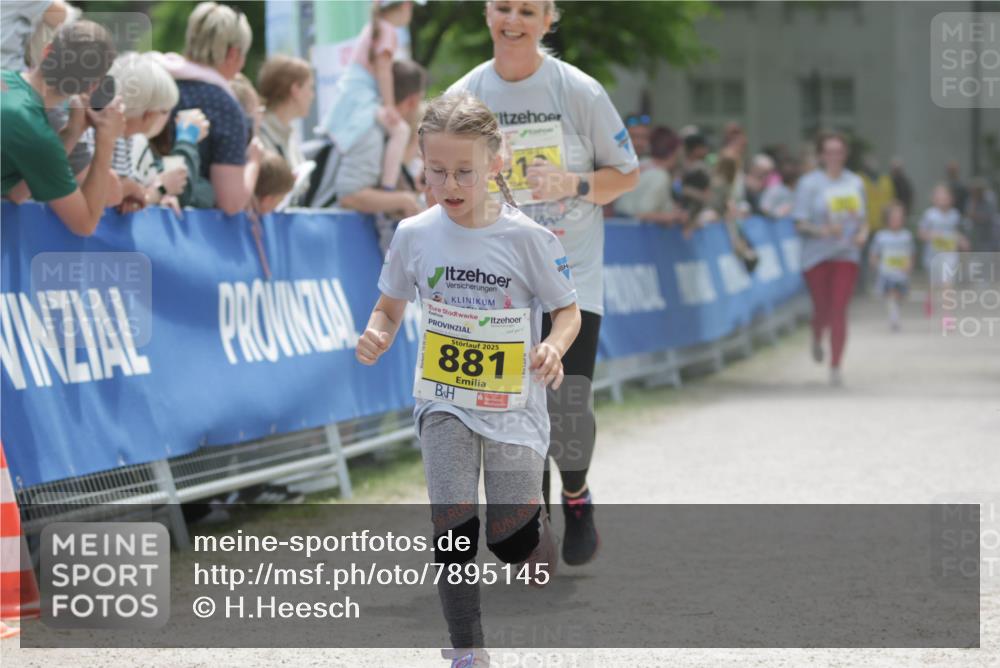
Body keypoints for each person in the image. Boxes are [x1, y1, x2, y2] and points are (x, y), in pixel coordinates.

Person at [355, 93, 581, 668]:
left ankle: (534, 526)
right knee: (452, 520)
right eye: (436, 171)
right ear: (422, 166)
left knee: (509, 541)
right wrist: (377, 332)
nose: (449, 184)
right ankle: (468, 651)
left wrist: (553, 347)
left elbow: (568, 312)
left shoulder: (528, 239)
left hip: (512, 405)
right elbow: (388, 308)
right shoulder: (414, 233)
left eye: (464, 172)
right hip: (444, 400)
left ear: (494, 164)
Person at [447, 0, 639, 567]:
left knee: (567, 412)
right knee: (509, 418)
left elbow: (626, 176)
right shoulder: (464, 96)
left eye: (528, 10)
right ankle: (539, 524)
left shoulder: (579, 91)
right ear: (487, 13)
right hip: (495, 286)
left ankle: (576, 496)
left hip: (569, 280)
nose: (513, 19)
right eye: (503, 7)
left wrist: (572, 183)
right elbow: (441, 183)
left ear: (549, 19)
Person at [1, 20, 124, 236]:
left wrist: (72, 133)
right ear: (92, 85)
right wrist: (106, 140)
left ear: (47, 50)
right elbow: (85, 224)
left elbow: (15, 192)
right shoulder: (37, 136)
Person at [161, 1, 260, 214]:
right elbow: (231, 202)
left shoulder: (158, 80)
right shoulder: (225, 107)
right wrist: (254, 162)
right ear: (233, 54)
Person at [320, 0, 420, 192]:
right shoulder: (387, 30)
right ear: (406, 5)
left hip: (354, 97)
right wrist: (390, 106)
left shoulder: (375, 27)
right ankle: (388, 187)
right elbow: (384, 70)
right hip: (362, 101)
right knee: (401, 131)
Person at [792, 131, 867, 386]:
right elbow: (799, 222)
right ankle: (816, 336)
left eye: (839, 151)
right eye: (829, 152)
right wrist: (821, 230)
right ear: (822, 155)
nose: (834, 157)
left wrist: (862, 235)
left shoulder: (855, 182)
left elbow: (863, 220)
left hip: (846, 253)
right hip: (816, 255)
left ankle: (835, 366)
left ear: (845, 154)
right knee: (822, 309)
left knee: (839, 309)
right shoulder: (809, 184)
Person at [305, 60, 426, 218]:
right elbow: (349, 196)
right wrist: (404, 201)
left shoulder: (372, 124)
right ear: (413, 101)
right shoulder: (371, 133)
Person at [613, 125, 686, 225]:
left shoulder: (642, 164)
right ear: (673, 154)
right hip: (632, 234)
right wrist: (672, 217)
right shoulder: (660, 175)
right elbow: (643, 214)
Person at [918, 184, 969, 315]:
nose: (943, 199)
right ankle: (929, 298)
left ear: (951, 199)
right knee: (933, 284)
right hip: (933, 255)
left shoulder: (955, 215)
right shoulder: (929, 215)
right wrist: (932, 235)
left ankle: (947, 316)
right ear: (934, 199)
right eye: (940, 197)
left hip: (949, 256)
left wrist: (962, 241)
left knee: (948, 285)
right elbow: (921, 233)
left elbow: (956, 232)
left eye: (945, 197)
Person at [257, 54, 314, 170]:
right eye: (310, 87)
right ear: (295, 89)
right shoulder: (260, 135)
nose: (312, 96)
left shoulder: (286, 133)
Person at [869, 201, 914, 331]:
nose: (896, 221)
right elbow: (874, 253)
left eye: (899, 218)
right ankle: (894, 318)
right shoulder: (881, 236)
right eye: (893, 218)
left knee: (900, 296)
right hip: (886, 272)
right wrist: (874, 263)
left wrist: (909, 265)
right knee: (891, 294)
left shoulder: (906, 236)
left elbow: (911, 253)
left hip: (901, 273)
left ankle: (895, 313)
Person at [965, 177, 999, 252]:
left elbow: (988, 217)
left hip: (990, 232)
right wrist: (974, 202)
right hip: (977, 232)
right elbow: (969, 214)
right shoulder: (972, 199)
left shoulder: (989, 198)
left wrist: (976, 216)